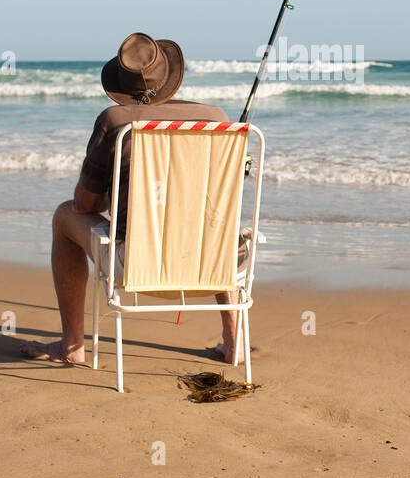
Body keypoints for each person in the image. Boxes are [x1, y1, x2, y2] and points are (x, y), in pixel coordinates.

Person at [19, 32, 246, 366]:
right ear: (169, 78)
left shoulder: (115, 121)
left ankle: (72, 346)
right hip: (220, 261)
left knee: (64, 215)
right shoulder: (217, 119)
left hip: (139, 262)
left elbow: (85, 206)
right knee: (215, 223)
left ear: (121, 85)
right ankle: (234, 342)